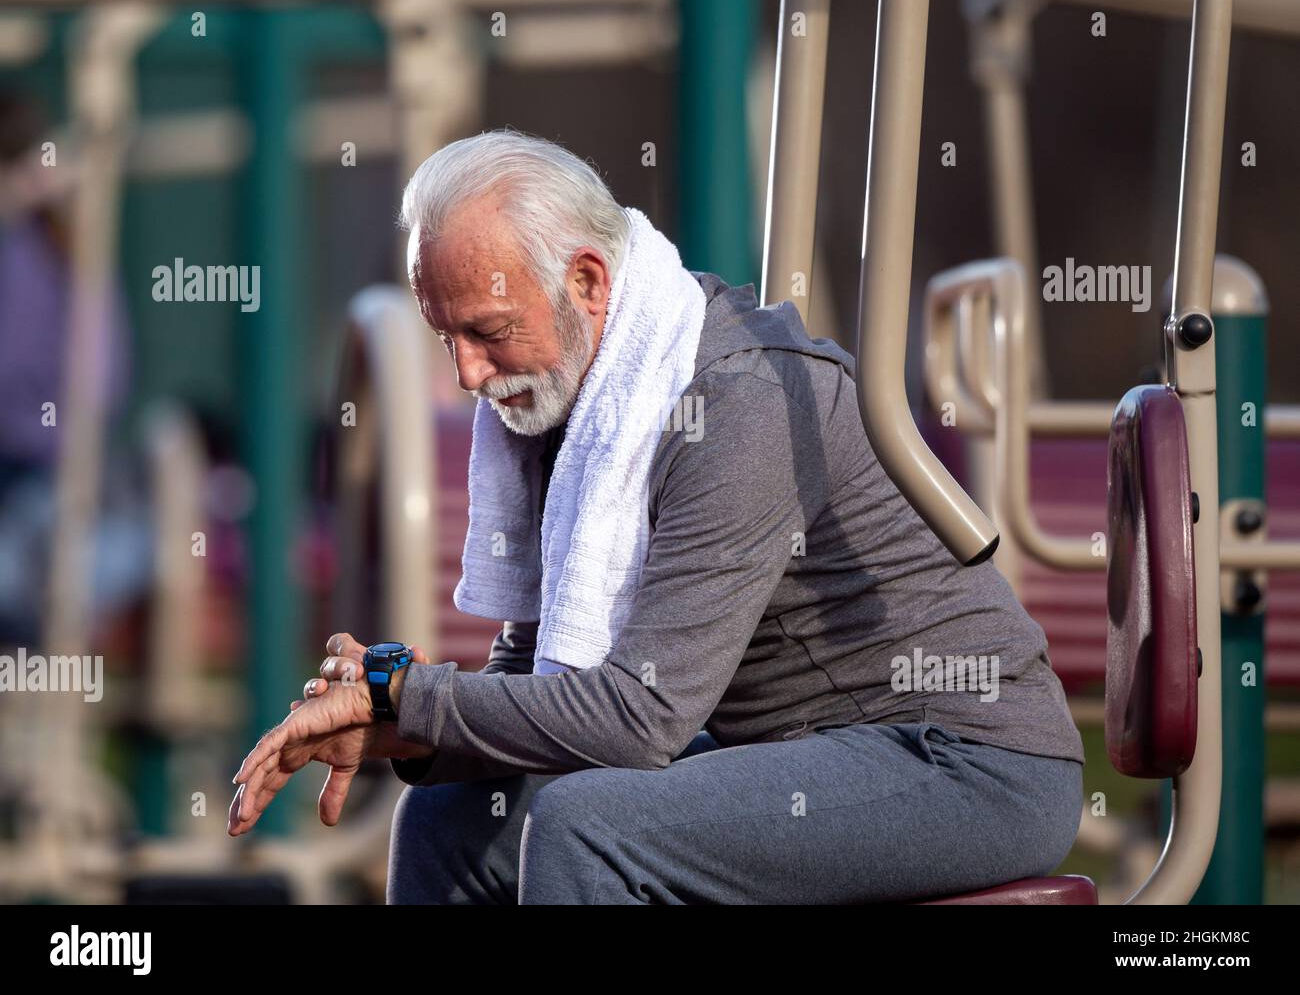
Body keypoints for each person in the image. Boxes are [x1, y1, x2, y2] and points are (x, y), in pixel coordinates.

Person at [229, 129, 1084, 905]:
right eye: (445, 337)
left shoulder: (737, 401)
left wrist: (411, 697)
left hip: (966, 764)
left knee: (587, 828)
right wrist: (400, 732)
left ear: (588, 281)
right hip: (807, 755)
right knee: (451, 817)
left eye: (487, 331)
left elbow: (640, 722)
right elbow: (536, 685)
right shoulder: (570, 398)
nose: (466, 375)